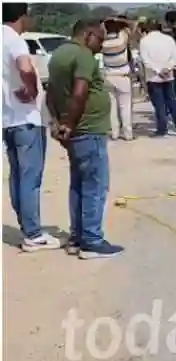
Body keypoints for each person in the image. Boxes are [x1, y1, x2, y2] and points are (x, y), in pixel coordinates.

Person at [46, 19, 124, 258]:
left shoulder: (58, 54)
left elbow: (50, 93)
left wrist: (57, 123)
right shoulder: (83, 56)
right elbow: (80, 92)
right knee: (95, 185)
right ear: (88, 34)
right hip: (88, 130)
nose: (101, 45)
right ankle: (92, 240)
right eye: (100, 39)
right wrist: (68, 123)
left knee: (78, 185)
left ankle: (77, 237)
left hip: (75, 132)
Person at [2, 3, 61, 252]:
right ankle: (33, 234)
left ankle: (27, 227)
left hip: (7, 118)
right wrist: (32, 89)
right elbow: (25, 67)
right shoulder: (14, 40)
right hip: (26, 117)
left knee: (17, 176)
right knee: (30, 178)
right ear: (22, 17)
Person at [139, 19, 176, 136]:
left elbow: (145, 60)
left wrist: (158, 71)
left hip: (154, 77)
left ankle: (162, 129)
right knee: (172, 101)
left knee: (159, 104)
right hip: (168, 75)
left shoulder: (144, 41)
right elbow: (175, 56)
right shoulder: (169, 39)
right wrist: (168, 68)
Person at [102, 16, 136, 141]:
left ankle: (115, 133)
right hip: (123, 76)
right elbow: (133, 25)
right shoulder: (122, 37)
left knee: (112, 107)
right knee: (125, 106)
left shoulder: (103, 42)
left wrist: (106, 22)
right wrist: (118, 19)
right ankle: (128, 134)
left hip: (108, 76)